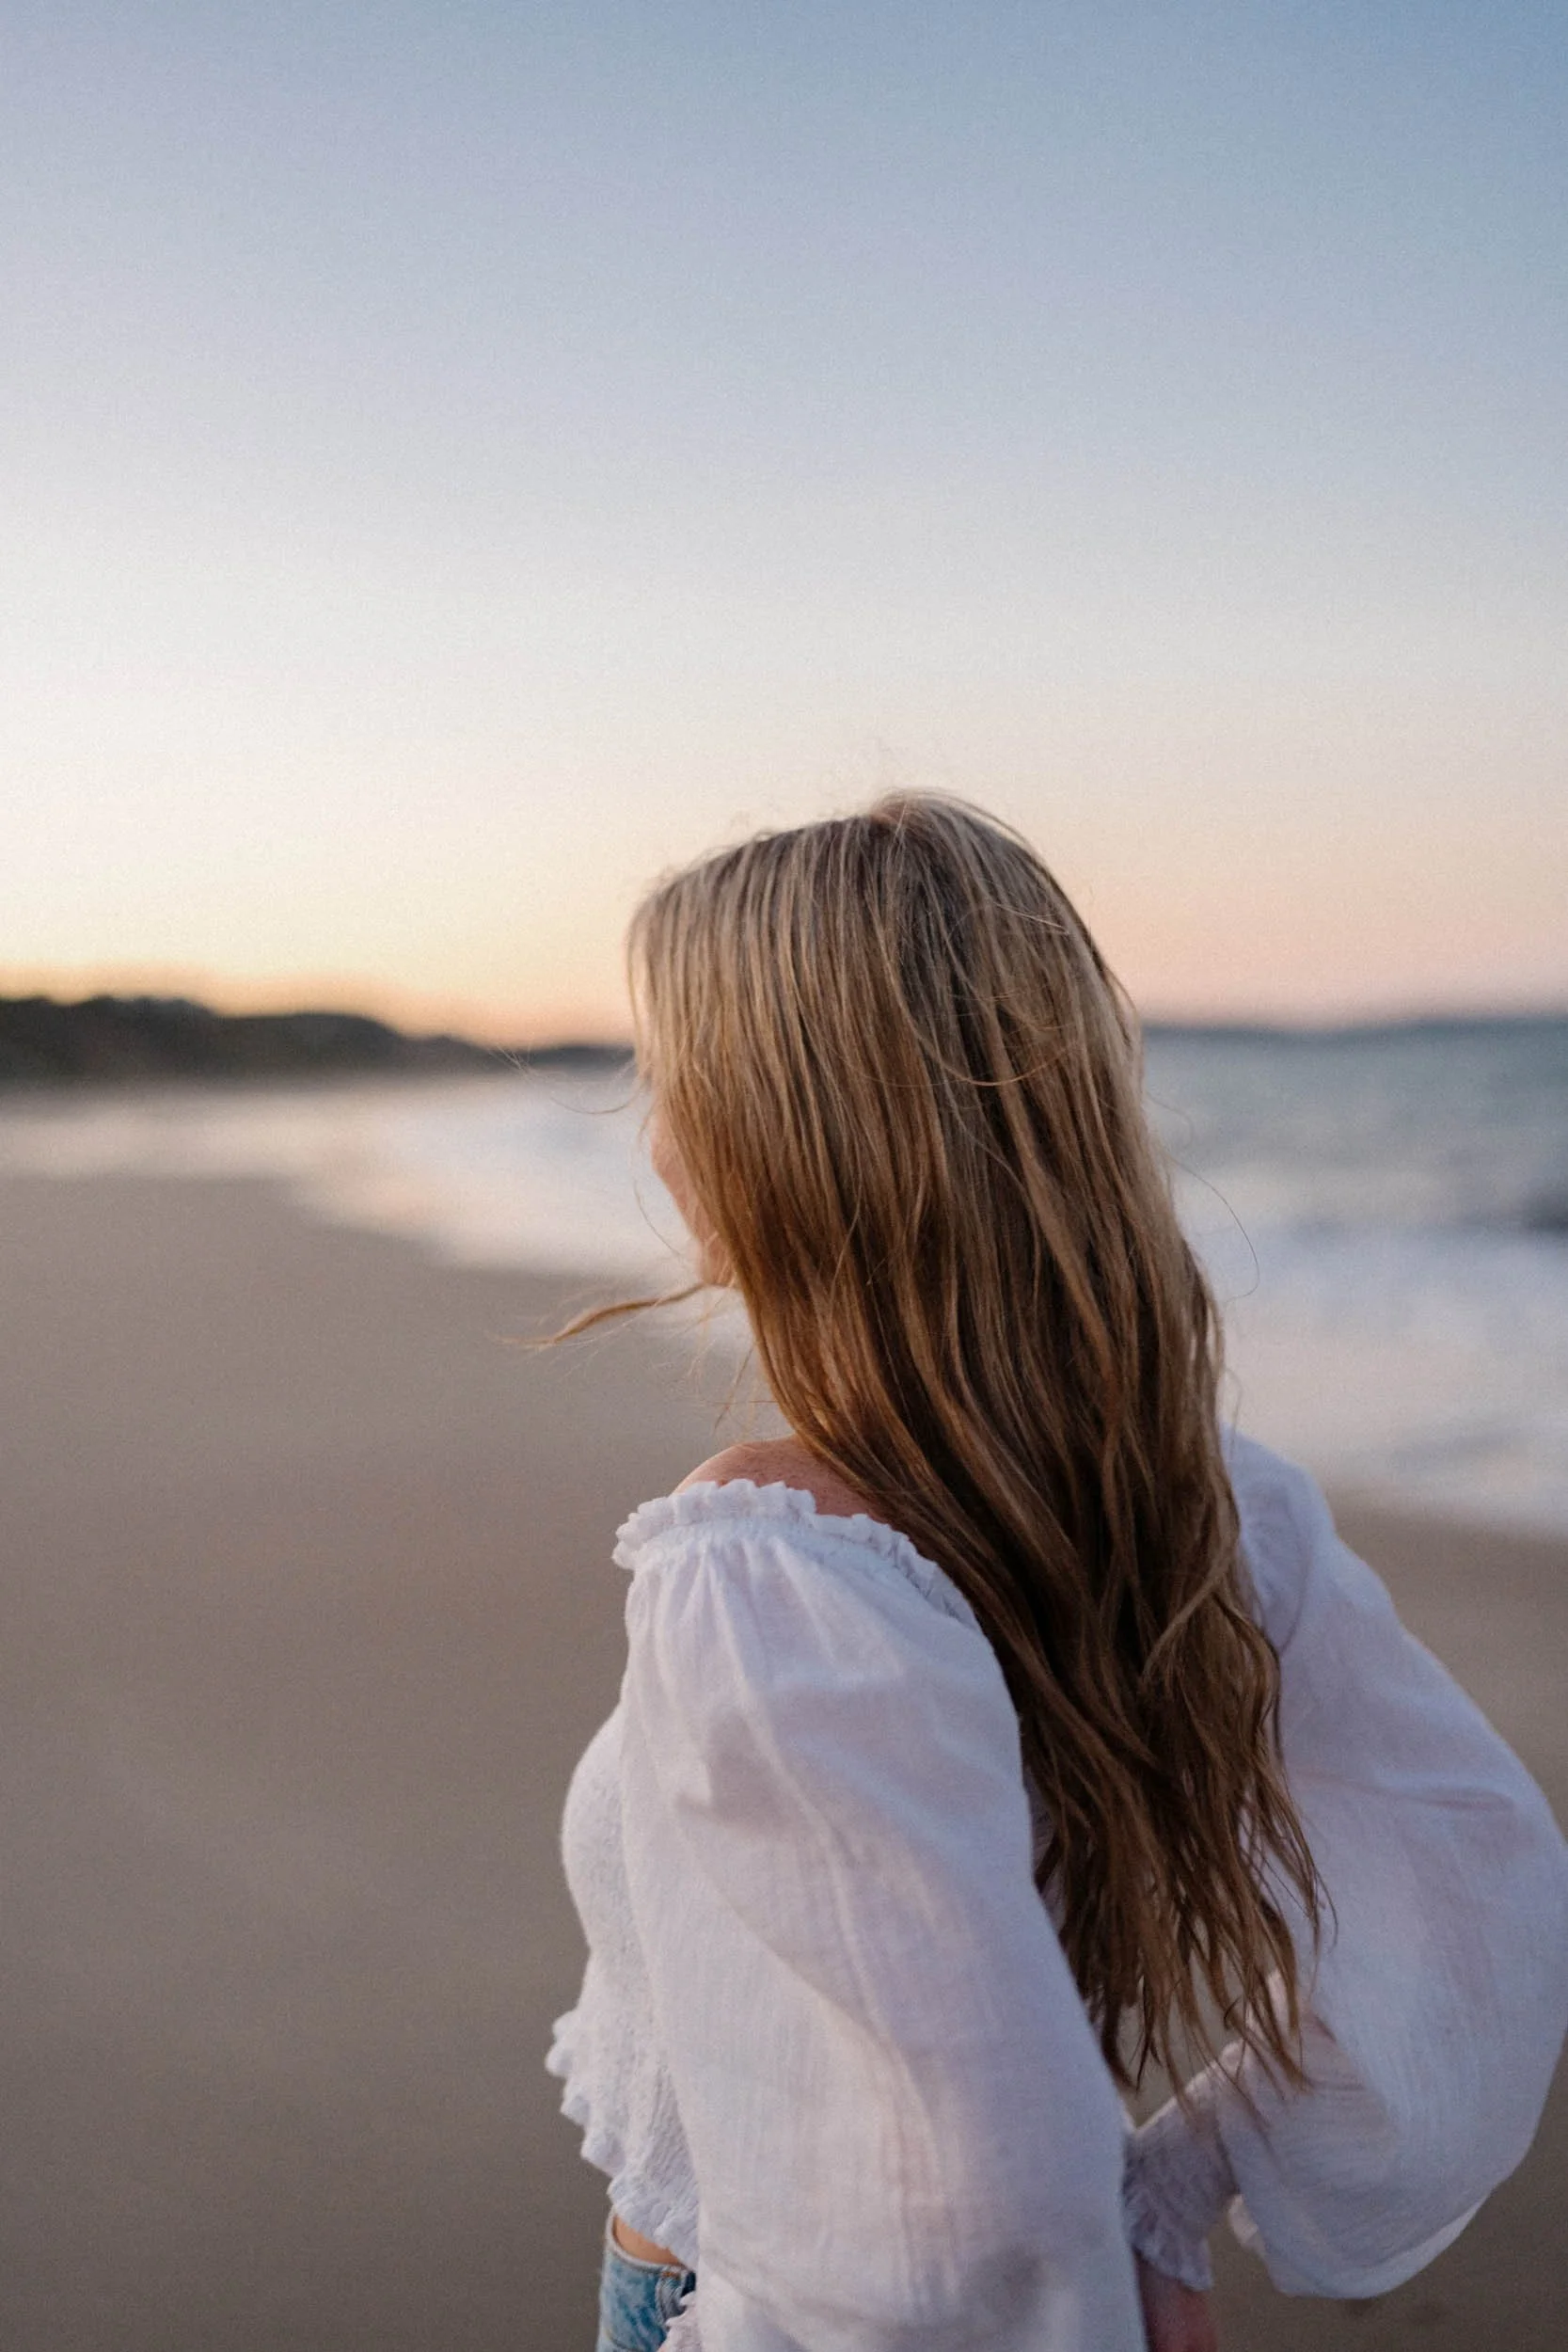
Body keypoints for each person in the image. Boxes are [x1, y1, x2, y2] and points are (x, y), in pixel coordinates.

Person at [546, 796, 1568, 2352]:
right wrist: (1159, 2198)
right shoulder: (1198, 1504)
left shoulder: (765, 1570)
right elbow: (1474, 1888)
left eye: (666, 1082)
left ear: (779, 1141)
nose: (656, 1136)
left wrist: (1114, 2220)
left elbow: (940, 2214)